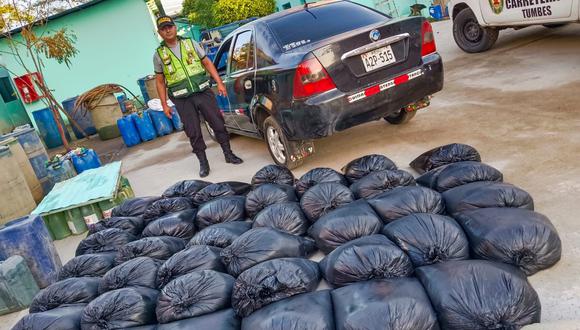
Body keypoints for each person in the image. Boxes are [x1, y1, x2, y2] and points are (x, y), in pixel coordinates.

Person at [153, 15, 243, 178]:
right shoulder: (159, 54)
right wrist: (164, 104)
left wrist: (220, 83)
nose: (167, 30)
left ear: (175, 28)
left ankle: (228, 154)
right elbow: (159, 82)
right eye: (163, 28)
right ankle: (203, 163)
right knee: (193, 131)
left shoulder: (190, 43)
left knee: (218, 122)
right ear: (159, 32)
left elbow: (207, 63)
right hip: (182, 99)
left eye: (170, 26)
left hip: (203, 92)